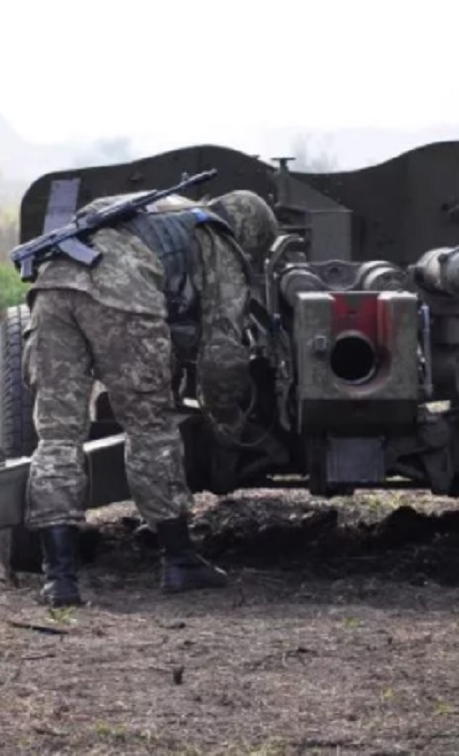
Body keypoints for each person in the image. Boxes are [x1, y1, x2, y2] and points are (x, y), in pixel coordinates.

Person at [22, 187, 279, 606]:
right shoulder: (217, 237)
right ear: (249, 232)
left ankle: (60, 578)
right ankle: (179, 561)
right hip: (120, 293)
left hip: (51, 288)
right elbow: (223, 352)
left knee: (57, 435)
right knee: (150, 428)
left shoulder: (155, 210)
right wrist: (224, 415)